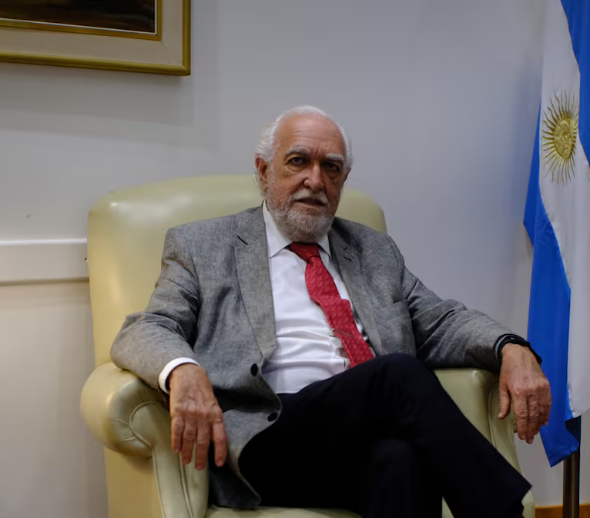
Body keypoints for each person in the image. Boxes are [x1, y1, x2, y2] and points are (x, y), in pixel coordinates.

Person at [111, 106, 551, 518]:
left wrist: (509, 347)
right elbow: (147, 328)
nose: (315, 180)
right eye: (298, 161)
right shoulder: (204, 246)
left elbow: (441, 321)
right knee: (398, 374)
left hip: (354, 441)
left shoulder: (373, 250)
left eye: (331, 167)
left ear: (344, 179)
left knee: (400, 462)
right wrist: (183, 369)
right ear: (263, 171)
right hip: (266, 437)